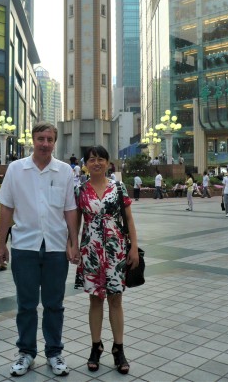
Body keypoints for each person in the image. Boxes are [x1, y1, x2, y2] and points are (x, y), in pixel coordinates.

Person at [0, 122, 79, 377]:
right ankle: (26, 353)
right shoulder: (16, 169)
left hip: (55, 248)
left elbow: (70, 209)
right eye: (40, 138)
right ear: (33, 139)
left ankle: (54, 353)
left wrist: (73, 242)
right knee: (26, 304)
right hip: (24, 247)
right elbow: (6, 208)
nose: (45, 143)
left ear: (55, 142)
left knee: (55, 304)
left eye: (49, 139)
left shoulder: (64, 171)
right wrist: (1, 244)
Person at [74, 145, 139, 375]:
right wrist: (72, 245)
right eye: (92, 159)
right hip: (91, 250)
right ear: (86, 163)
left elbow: (129, 220)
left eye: (101, 159)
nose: (97, 163)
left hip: (116, 251)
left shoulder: (118, 187)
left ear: (108, 163)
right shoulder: (80, 189)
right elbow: (76, 221)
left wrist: (134, 248)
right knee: (94, 300)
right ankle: (96, 346)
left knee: (115, 300)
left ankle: (118, 348)